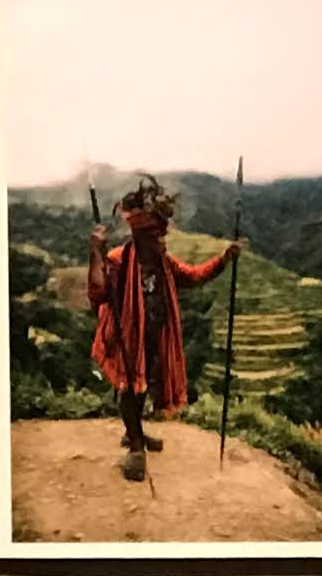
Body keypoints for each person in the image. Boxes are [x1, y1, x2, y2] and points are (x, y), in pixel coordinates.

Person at [85, 176, 233, 483]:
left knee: (142, 384)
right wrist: (96, 253)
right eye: (157, 237)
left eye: (162, 235)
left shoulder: (163, 262)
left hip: (154, 333)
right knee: (130, 387)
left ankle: (134, 432)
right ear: (142, 237)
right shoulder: (119, 260)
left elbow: (193, 276)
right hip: (126, 335)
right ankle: (136, 448)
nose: (162, 241)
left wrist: (223, 261)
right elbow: (98, 293)